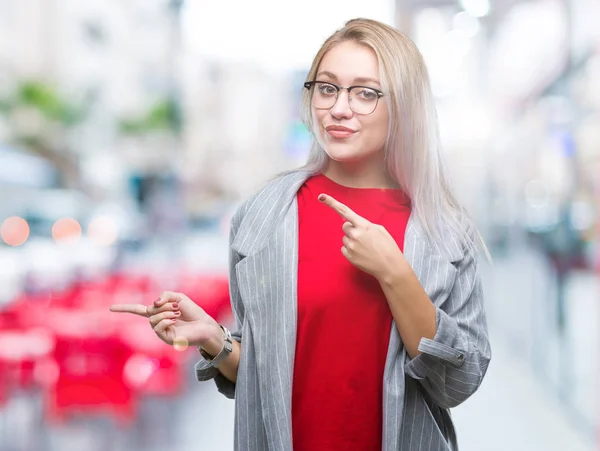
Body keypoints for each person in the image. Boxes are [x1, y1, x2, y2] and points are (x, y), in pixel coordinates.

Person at [110, 17, 491, 451]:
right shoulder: (262, 216)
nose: (339, 108)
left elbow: (458, 383)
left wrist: (396, 275)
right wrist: (215, 339)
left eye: (365, 93)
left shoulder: (444, 229)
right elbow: (265, 377)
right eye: (327, 88)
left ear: (405, 104)